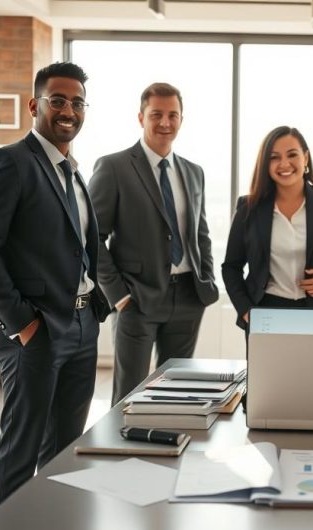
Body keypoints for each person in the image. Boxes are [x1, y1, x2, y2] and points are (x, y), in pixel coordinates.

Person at [0, 62, 110, 510]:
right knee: (21, 450)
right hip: (36, 332)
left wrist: (93, 312)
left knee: (65, 449)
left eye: (78, 102)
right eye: (59, 100)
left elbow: (79, 248)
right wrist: (24, 324)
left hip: (82, 326)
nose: (69, 110)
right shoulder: (9, 163)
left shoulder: (74, 170)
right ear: (35, 105)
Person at [89, 82, 219, 407]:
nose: (165, 122)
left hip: (188, 297)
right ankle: (121, 457)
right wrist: (117, 295)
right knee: (129, 397)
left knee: (176, 393)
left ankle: (168, 454)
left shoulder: (194, 172)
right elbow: (90, 237)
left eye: (172, 115)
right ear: (141, 117)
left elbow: (200, 234)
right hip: (136, 300)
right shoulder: (114, 167)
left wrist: (206, 279)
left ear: (181, 119)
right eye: (156, 114)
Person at [222, 126, 313, 329]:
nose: (284, 164)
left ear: (306, 158)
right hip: (266, 313)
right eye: (274, 157)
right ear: (265, 164)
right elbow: (231, 267)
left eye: (292, 154)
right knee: (269, 363)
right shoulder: (249, 209)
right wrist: (247, 311)